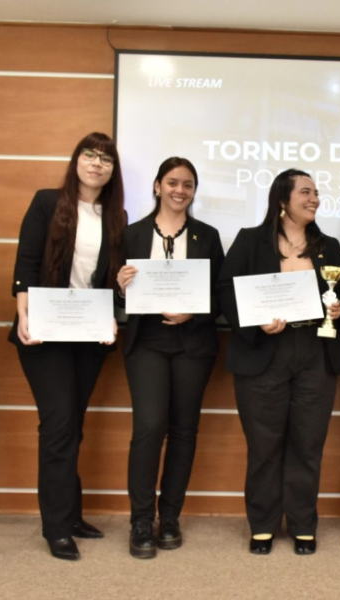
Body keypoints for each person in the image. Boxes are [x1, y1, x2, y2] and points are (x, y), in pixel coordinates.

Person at [216, 169, 340, 556]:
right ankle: (262, 524)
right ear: (282, 200)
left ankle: (302, 523)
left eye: (317, 193)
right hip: (264, 352)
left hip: (315, 354)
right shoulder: (250, 241)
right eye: (305, 192)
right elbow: (225, 290)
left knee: (307, 444)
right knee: (264, 444)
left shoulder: (327, 245)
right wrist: (256, 321)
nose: (314, 198)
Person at [8, 132, 125, 561]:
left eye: (105, 158)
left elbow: (109, 278)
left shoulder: (117, 216)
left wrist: (116, 305)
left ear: (114, 170)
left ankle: (70, 514)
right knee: (58, 425)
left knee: (72, 425)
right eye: (89, 155)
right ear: (76, 160)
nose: (96, 163)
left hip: (88, 334)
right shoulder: (46, 201)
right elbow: (25, 261)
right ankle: (56, 528)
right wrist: (24, 314)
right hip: (43, 330)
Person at [115, 157, 224, 559]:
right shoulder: (131, 234)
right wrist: (123, 289)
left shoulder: (208, 236)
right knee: (148, 427)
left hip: (193, 342)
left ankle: (170, 516)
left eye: (189, 185)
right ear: (158, 185)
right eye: (173, 183)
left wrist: (194, 309)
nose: (180, 190)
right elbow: (111, 293)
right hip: (147, 341)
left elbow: (221, 292)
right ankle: (141, 519)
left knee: (184, 430)